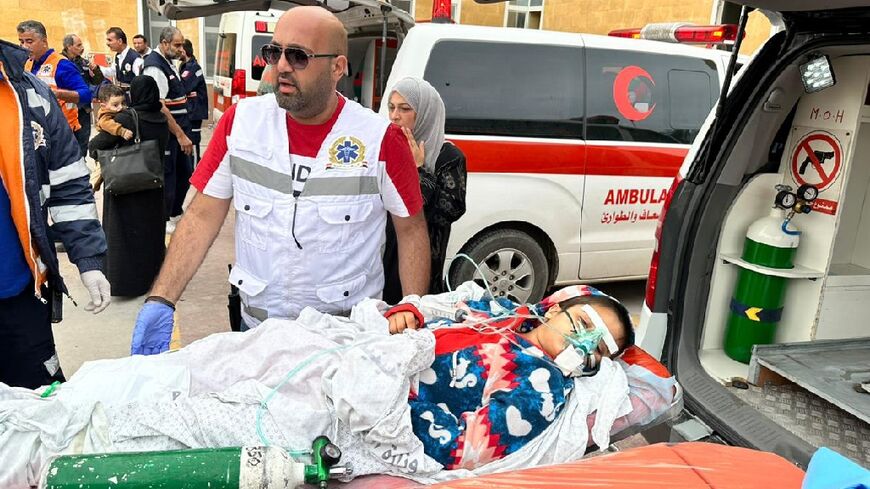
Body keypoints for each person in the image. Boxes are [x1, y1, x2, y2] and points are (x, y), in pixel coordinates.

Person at [130, 6, 431, 355]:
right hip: (256, 334)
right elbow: (201, 216)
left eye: (298, 56)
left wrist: (412, 304)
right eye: (274, 52)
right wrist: (162, 298)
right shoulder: (240, 124)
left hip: (345, 344)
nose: (281, 66)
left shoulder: (380, 140)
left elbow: (411, 230)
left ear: (337, 67)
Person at [385, 285, 635, 469]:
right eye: (584, 322)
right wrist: (406, 314)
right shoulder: (504, 313)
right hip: (377, 349)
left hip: (388, 403)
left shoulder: (539, 386)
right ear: (553, 311)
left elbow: (460, 449)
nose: (585, 341)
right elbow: (434, 309)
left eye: (600, 348)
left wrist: (394, 400)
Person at [0, 39, 111, 389]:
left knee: (42, 409)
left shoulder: (28, 95)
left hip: (19, 294)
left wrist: (89, 259)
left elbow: (68, 182)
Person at [382, 77, 467, 304]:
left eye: (405, 108)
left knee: (412, 312)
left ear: (425, 113)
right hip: (383, 253)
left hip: (421, 255)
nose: (394, 116)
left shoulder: (448, 157)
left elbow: (449, 212)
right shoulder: (387, 146)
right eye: (391, 107)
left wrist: (419, 170)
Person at [88, 76, 169, 298]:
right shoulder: (161, 118)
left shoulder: (127, 118)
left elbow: (95, 146)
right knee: (150, 234)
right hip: (153, 187)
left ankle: (127, 283)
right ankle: (153, 277)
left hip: (126, 189)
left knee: (124, 237)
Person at [141, 26, 194, 228]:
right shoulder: (155, 67)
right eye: (177, 45)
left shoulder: (168, 62)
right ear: (164, 43)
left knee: (185, 172)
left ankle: (174, 211)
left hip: (179, 129)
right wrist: (180, 135)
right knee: (169, 175)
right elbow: (160, 106)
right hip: (169, 133)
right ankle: (165, 218)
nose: (181, 49)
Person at [17, 20, 92, 136]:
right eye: (21, 42)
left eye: (29, 41)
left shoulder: (62, 64)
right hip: (40, 130)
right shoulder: (27, 64)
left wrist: (57, 94)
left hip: (64, 131)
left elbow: (86, 95)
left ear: (44, 41)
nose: (24, 46)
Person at [61, 33, 105, 160]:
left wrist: (95, 69)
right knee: (67, 143)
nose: (82, 47)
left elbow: (97, 80)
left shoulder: (83, 62)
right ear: (69, 46)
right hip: (66, 111)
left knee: (83, 142)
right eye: (79, 45)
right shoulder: (60, 62)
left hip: (83, 110)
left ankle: (82, 167)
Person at [179, 39, 208, 165]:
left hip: (194, 111)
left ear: (184, 51)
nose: (176, 51)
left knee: (193, 141)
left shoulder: (193, 67)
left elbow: (183, 87)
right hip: (189, 110)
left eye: (178, 48)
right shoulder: (184, 66)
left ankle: (195, 169)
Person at [99, 27, 142, 92]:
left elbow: (141, 80)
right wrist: (96, 68)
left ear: (120, 41)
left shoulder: (135, 58)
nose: (107, 43)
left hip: (133, 95)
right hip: (122, 94)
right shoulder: (118, 56)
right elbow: (111, 71)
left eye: (110, 40)